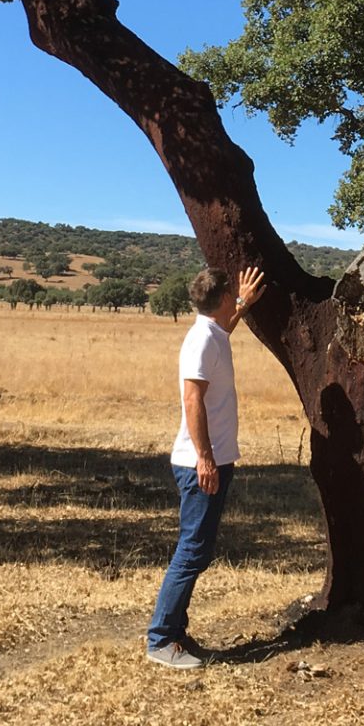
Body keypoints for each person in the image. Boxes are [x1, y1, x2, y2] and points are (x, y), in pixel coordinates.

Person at [145, 264, 266, 668]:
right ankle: (161, 639)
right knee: (192, 551)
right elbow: (192, 400)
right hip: (200, 463)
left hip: (212, 458)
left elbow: (224, 327)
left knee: (198, 550)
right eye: (231, 294)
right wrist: (206, 458)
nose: (235, 297)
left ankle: (175, 632)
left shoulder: (212, 331)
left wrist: (244, 304)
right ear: (220, 299)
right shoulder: (200, 340)